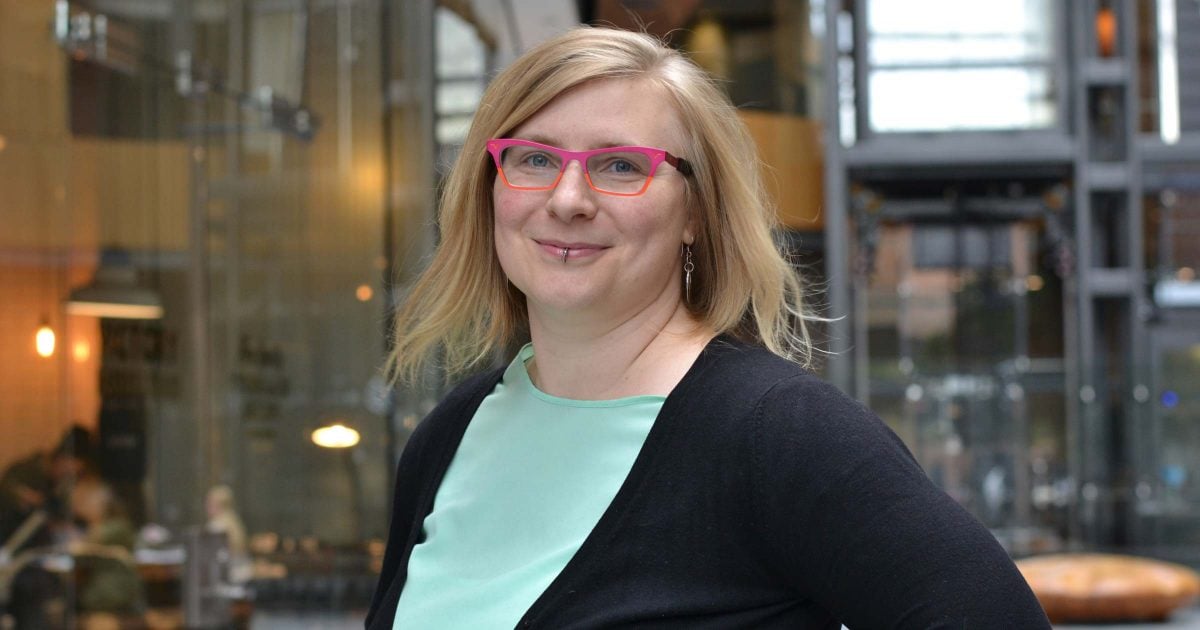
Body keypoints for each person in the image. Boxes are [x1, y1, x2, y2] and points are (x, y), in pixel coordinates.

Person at [366, 26, 1050, 629]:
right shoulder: (449, 437)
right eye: (535, 159)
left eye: (620, 166)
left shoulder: (782, 434)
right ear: (491, 186)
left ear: (695, 213)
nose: (567, 199)